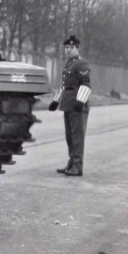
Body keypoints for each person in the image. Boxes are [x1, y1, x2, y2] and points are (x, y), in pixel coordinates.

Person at [48, 35, 92, 177]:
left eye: (71, 47)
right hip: (68, 105)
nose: (68, 50)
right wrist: (56, 100)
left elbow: (85, 83)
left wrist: (80, 101)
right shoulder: (68, 64)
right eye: (66, 47)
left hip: (78, 106)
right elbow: (65, 87)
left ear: (77, 48)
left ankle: (78, 167)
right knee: (70, 137)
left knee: (77, 137)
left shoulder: (82, 64)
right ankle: (72, 163)